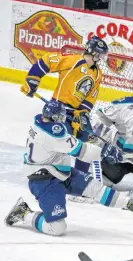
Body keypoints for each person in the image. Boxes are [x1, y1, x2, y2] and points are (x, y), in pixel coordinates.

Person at [5, 100, 133, 236]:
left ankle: (132, 202)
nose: (63, 120)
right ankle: (24, 213)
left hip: (59, 171)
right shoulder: (52, 134)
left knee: (95, 187)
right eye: (61, 117)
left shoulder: (39, 123)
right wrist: (105, 153)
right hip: (45, 181)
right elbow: (82, 152)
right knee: (57, 228)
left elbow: (70, 140)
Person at [20, 36, 109, 174]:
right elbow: (47, 60)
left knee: (86, 141)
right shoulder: (73, 61)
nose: (102, 58)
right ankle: (53, 172)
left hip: (76, 113)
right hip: (58, 109)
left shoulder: (98, 74)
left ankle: (82, 176)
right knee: (61, 140)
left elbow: (91, 96)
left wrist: (83, 113)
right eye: (101, 54)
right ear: (93, 52)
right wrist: (33, 78)